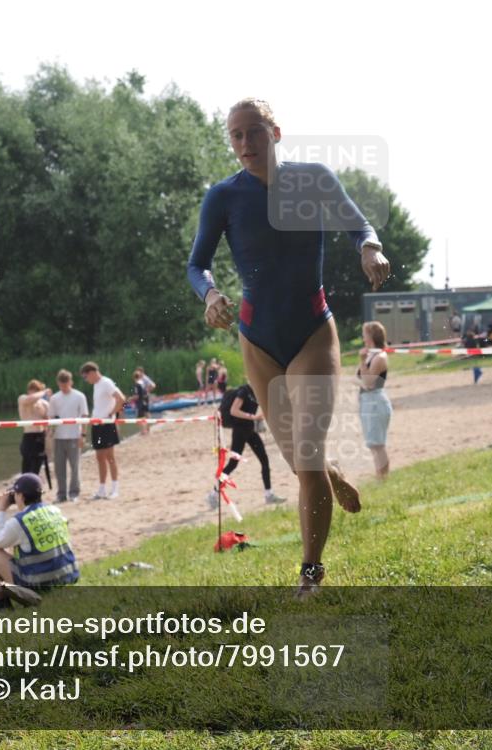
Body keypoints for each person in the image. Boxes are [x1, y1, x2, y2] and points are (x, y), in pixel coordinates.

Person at [186, 97, 391, 594]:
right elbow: (197, 264)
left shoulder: (313, 179)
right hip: (258, 342)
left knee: (307, 452)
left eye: (253, 131)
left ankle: (310, 573)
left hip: (311, 334)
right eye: (236, 135)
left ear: (275, 133)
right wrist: (210, 295)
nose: (245, 143)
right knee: (302, 461)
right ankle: (329, 473)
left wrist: (370, 248)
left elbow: (358, 224)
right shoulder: (223, 197)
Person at [0, 473, 79, 615]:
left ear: (21, 496)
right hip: (67, 578)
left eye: (15, 494)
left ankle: (0, 602)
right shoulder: (55, 511)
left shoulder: (19, 521)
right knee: (23, 544)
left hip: (40, 587)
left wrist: (1, 509)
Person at [206, 383, 287, 509]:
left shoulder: (258, 391)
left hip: (250, 430)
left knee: (264, 459)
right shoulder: (244, 391)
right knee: (233, 464)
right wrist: (253, 417)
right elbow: (234, 411)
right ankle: (213, 494)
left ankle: (269, 494)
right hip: (239, 431)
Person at [80, 361, 126, 499]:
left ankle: (115, 489)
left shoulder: (106, 382)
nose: (86, 380)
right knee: (99, 457)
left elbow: (121, 399)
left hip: (106, 424)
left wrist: (112, 413)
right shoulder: (97, 385)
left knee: (110, 457)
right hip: (97, 424)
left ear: (92, 372)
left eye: (85, 377)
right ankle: (101, 489)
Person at [357, 321, 392, 479]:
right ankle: (380, 477)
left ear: (371, 336)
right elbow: (360, 380)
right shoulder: (370, 355)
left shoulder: (379, 357)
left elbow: (368, 382)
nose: (363, 338)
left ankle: (382, 479)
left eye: (364, 334)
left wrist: (362, 361)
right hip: (367, 401)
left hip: (375, 401)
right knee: (373, 444)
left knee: (378, 444)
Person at [47, 369, 88, 503]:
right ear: (58, 384)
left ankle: (74, 493)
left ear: (71, 382)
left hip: (74, 435)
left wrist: (83, 435)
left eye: (66, 384)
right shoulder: (54, 398)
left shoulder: (79, 396)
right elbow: (51, 416)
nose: (64, 387)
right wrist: (50, 431)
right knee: (59, 468)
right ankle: (61, 494)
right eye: (61, 385)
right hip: (58, 437)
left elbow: (84, 416)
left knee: (74, 467)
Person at [17, 380, 50, 476]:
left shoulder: (44, 403)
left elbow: (48, 421)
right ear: (29, 390)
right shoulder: (23, 398)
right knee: (26, 468)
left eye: (36, 390)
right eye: (32, 390)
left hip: (40, 436)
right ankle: (25, 484)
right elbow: (30, 399)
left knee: (37, 467)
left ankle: (34, 484)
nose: (34, 392)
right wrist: (44, 392)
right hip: (28, 436)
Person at [133, 368, 151, 436]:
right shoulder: (142, 383)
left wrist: (130, 399)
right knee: (145, 416)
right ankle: (147, 429)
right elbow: (145, 393)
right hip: (145, 401)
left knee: (140, 418)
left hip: (140, 403)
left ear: (134, 377)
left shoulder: (137, 385)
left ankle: (143, 432)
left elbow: (137, 396)